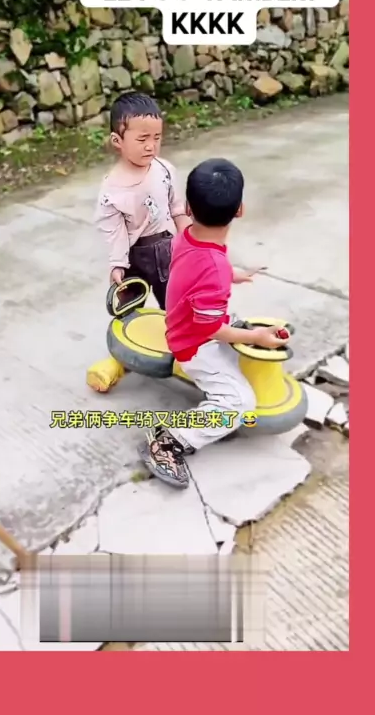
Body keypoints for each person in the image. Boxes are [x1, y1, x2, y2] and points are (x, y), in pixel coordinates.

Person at [138, 157, 289, 488]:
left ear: (189, 208)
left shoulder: (186, 234)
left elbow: (200, 263)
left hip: (192, 321)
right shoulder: (214, 269)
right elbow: (209, 328)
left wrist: (233, 274)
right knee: (240, 404)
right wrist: (256, 338)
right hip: (193, 344)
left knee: (244, 331)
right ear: (240, 210)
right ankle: (168, 442)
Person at [95, 92, 189, 309]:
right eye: (142, 139)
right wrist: (117, 264)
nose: (151, 146)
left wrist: (191, 242)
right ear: (117, 141)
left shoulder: (164, 170)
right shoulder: (112, 189)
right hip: (133, 257)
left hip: (167, 251)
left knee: (175, 306)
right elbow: (114, 230)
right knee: (129, 310)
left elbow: (177, 209)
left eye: (157, 138)